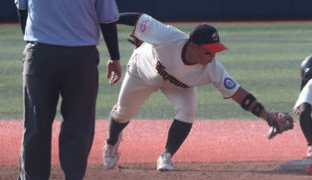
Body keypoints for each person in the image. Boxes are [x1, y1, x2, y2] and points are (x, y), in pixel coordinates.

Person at [4, 0, 122, 180]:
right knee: (78, 124)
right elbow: (108, 20)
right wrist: (115, 57)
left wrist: (32, 41)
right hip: (81, 57)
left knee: (36, 123)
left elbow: (21, 8)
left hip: (40, 53)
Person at [102, 13, 293, 171]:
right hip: (142, 73)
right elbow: (137, 19)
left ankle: (166, 155)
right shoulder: (168, 37)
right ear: (193, 46)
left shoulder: (212, 68)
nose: (212, 57)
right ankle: (111, 144)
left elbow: (239, 95)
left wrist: (267, 116)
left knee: (188, 110)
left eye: (215, 51)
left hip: (178, 86)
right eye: (208, 52)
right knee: (122, 114)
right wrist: (106, 17)